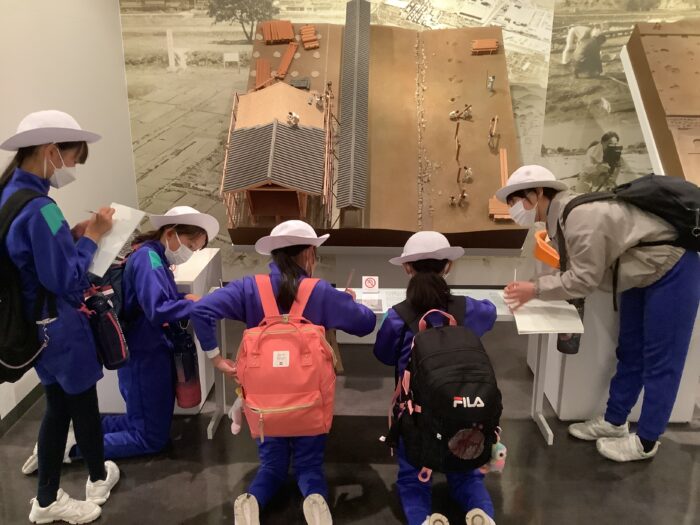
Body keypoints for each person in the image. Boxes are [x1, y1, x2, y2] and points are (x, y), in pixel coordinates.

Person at [497, 165, 700, 462]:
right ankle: (615, 421)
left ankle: (647, 440)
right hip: (639, 274)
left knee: (662, 360)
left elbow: (583, 279)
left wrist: (535, 288)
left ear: (537, 193)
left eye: (516, 201)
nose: (515, 209)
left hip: (673, 269)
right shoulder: (563, 217)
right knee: (630, 351)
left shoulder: (579, 217)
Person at [191, 220, 377, 525]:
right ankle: (315, 500)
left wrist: (216, 359)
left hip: (264, 403)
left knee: (271, 466)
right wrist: (348, 302)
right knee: (309, 466)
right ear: (308, 253)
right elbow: (366, 323)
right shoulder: (319, 291)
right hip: (310, 398)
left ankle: (252, 501)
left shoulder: (249, 287)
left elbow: (200, 310)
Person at [0, 110, 120, 524]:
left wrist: (72, 236)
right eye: (72, 158)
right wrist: (93, 237)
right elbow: (67, 280)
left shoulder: (10, 192)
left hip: (33, 326)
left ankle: (83, 482)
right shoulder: (42, 208)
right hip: (59, 326)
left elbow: (29, 258)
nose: (71, 168)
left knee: (59, 405)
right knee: (79, 404)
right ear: (51, 151)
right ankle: (71, 490)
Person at [373, 231, 498, 525]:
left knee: (413, 480)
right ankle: (482, 515)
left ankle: (424, 520)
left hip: (416, 418)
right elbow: (491, 312)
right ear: (448, 266)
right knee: (467, 477)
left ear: (407, 268)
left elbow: (383, 354)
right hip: (467, 412)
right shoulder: (468, 309)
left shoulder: (398, 316)